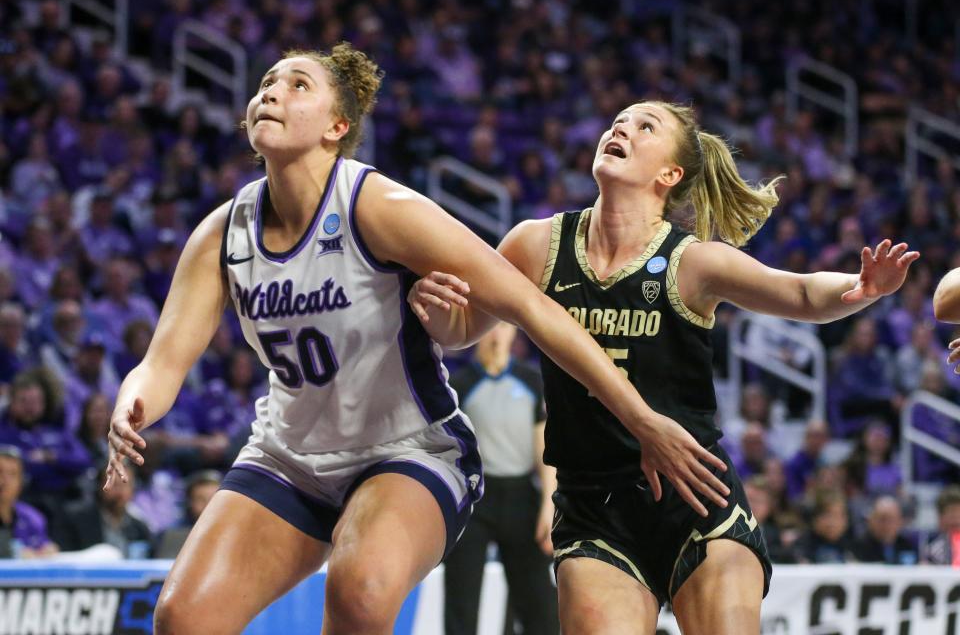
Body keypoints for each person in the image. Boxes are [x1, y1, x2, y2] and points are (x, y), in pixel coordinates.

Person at [104, 46, 728, 635]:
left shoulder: (379, 206)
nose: (272, 92)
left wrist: (642, 418)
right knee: (182, 619)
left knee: (361, 590)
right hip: (289, 457)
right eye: (267, 83)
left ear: (336, 127)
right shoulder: (223, 234)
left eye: (298, 85)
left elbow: (533, 309)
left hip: (406, 451)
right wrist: (133, 405)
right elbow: (161, 364)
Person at [409, 100, 919, 634]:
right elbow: (463, 331)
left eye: (644, 126)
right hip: (592, 507)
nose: (621, 128)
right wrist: (439, 312)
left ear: (669, 174)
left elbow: (798, 292)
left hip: (696, 498)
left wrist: (860, 290)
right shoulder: (536, 243)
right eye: (617, 123)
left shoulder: (692, 261)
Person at [443, 323, 558, 635]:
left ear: (513, 334)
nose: (495, 334)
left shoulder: (531, 380)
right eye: (488, 327)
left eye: (503, 327)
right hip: (473, 500)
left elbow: (544, 448)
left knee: (540, 608)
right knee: (461, 605)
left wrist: (549, 504)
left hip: (521, 496)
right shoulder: (459, 384)